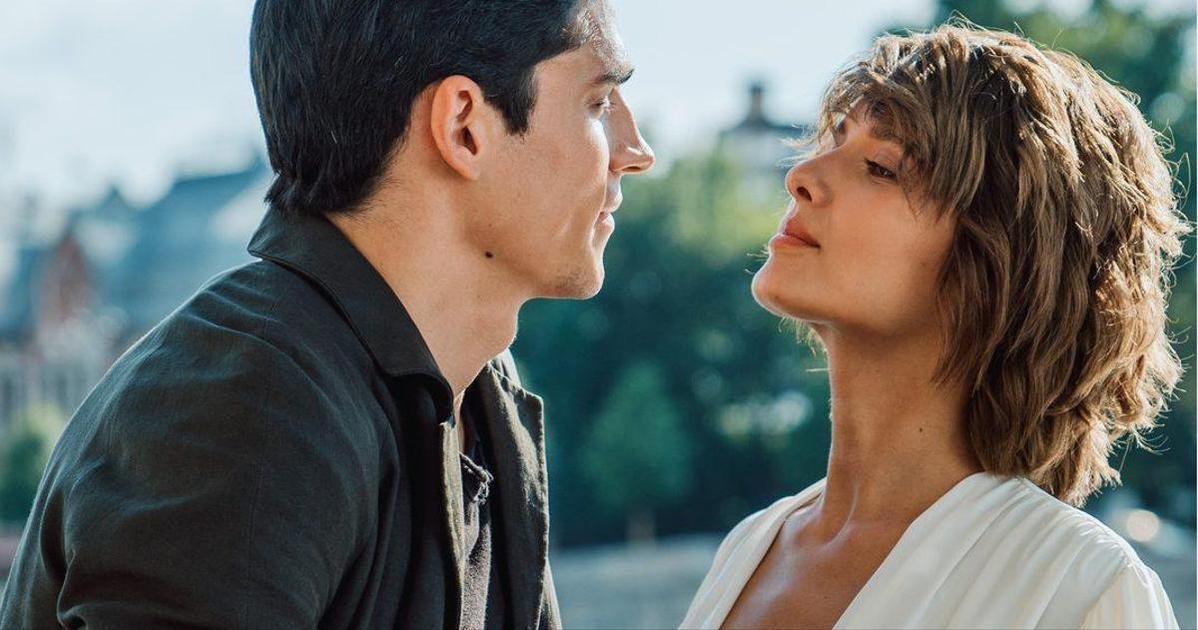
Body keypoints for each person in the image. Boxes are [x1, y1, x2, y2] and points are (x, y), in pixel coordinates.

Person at [0, 0, 654, 627]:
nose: (637, 151)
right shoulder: (251, 409)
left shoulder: (479, 389)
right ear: (464, 126)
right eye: (598, 103)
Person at [682, 21, 1185, 630]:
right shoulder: (751, 547)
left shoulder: (1078, 586)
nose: (802, 176)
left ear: (999, 260)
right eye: (834, 140)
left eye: (881, 166)